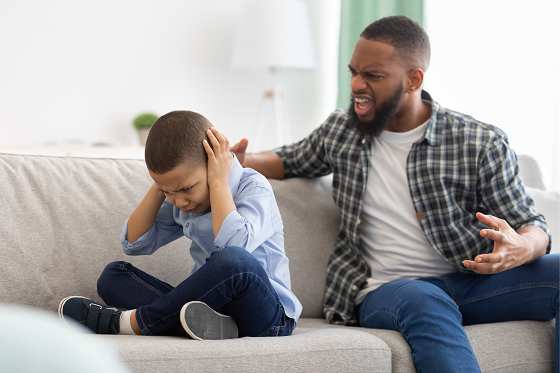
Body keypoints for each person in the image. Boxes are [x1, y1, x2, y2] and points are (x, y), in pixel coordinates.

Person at [230, 15, 559, 372]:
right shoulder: (341, 131)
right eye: (354, 71)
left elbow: (531, 224)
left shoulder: (479, 142)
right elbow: (287, 160)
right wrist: (242, 160)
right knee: (423, 297)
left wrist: (522, 247)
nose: (356, 84)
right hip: (388, 290)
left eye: (372, 75)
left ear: (414, 79)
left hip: (470, 283)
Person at [59, 110, 302, 340]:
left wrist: (218, 182)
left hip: (269, 315)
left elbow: (235, 243)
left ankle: (132, 323)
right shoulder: (180, 199)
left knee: (235, 260)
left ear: (213, 162)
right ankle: (191, 323)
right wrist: (161, 187)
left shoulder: (253, 187)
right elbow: (134, 243)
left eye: (186, 188)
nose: (180, 201)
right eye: (168, 192)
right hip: (211, 307)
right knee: (112, 276)